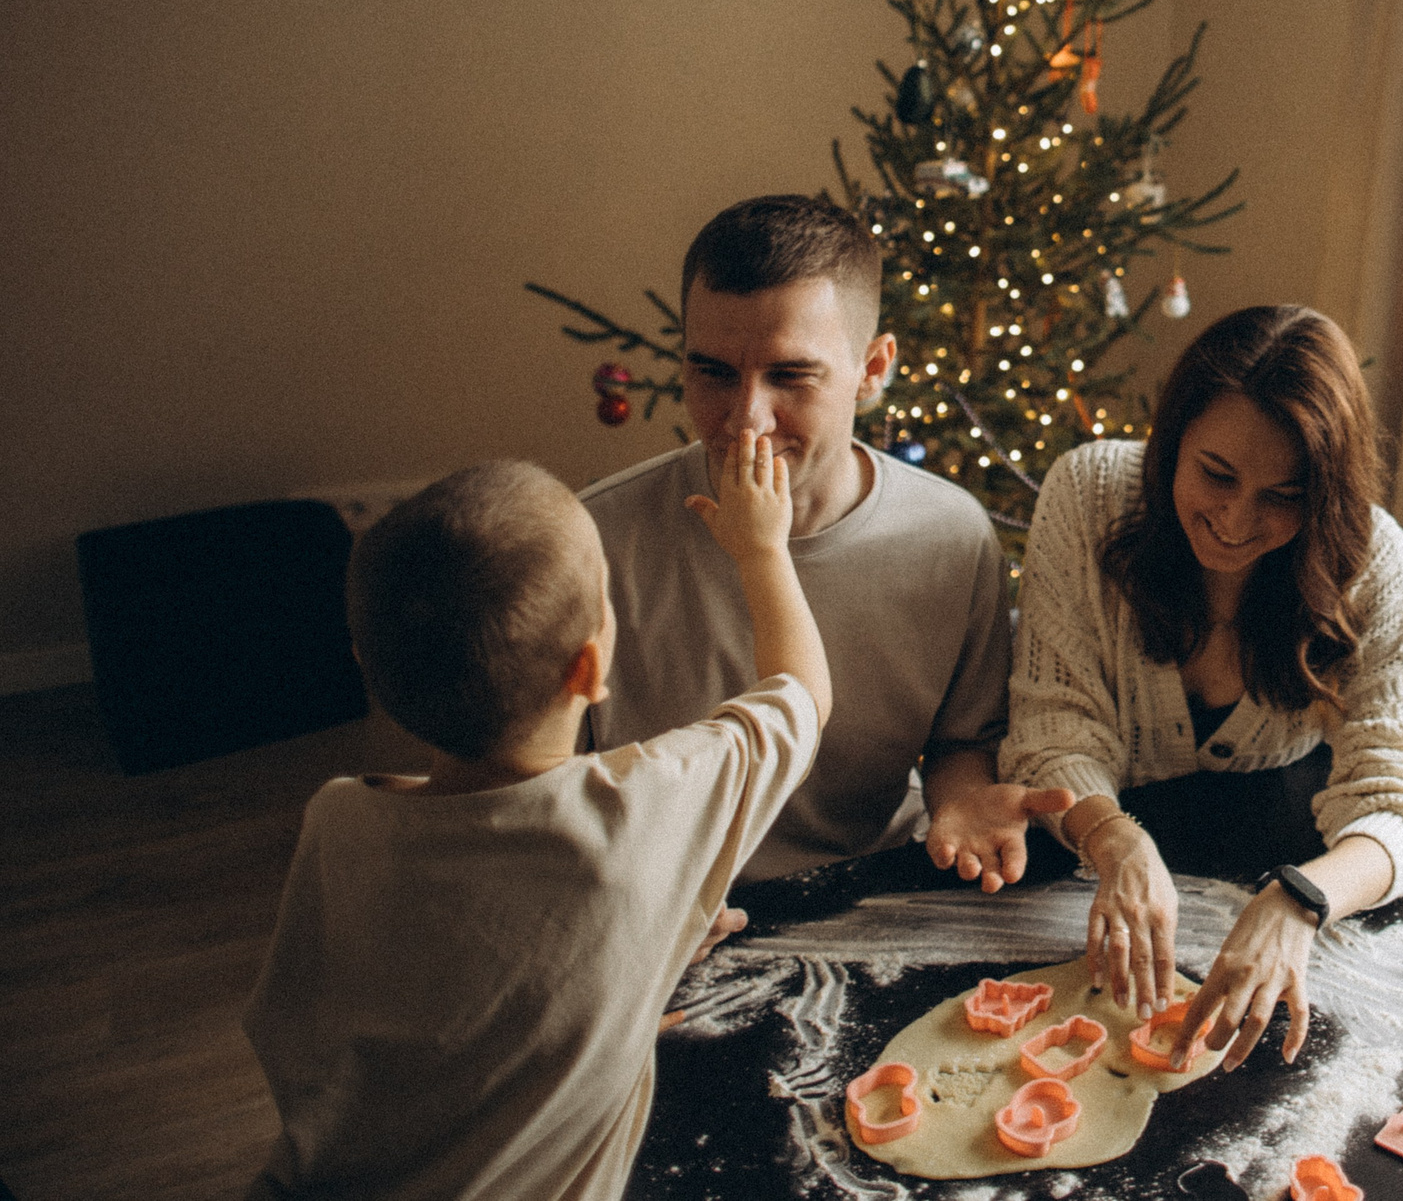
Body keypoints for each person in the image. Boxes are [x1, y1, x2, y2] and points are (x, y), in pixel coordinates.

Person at [243, 444, 827, 1200]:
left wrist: (636, 957)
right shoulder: (639, 812)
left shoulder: (338, 819)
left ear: (369, 666)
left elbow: (327, 1020)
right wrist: (762, 548)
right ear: (588, 668)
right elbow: (803, 697)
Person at [1002, 304, 1403, 1073]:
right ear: (1171, 438)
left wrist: (1300, 901)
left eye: (1282, 495)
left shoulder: (1372, 560)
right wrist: (1114, 838)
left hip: (1279, 838)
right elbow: (1053, 727)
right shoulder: (1087, 495)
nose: (1235, 519)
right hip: (1083, 860)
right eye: (1216, 473)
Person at [583, 194, 1066, 899]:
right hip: (647, 901)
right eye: (713, 371)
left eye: (790, 375)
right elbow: (537, 782)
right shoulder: (593, 537)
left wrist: (959, 799)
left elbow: (963, 739)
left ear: (872, 370)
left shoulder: (951, 537)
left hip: (863, 893)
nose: (746, 418)